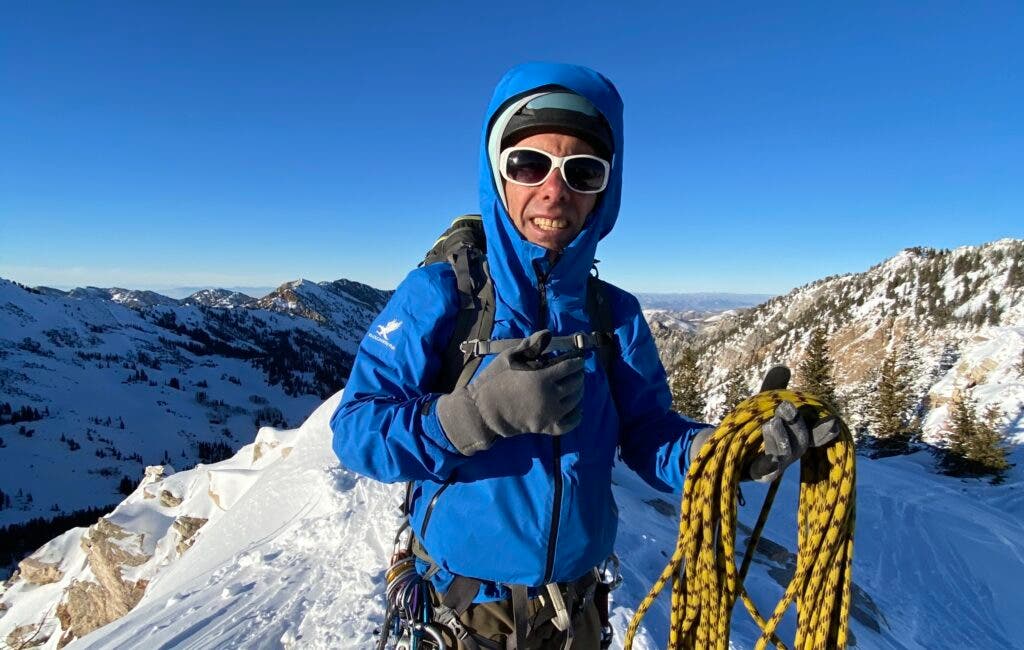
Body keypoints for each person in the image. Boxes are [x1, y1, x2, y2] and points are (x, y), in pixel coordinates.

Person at [331, 62, 819, 650]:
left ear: (603, 193)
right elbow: (357, 430)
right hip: (464, 611)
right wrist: (474, 416)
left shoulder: (614, 314)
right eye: (528, 165)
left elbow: (649, 436)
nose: (554, 191)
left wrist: (722, 454)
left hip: (576, 610)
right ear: (497, 174)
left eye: (583, 171)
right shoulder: (440, 296)